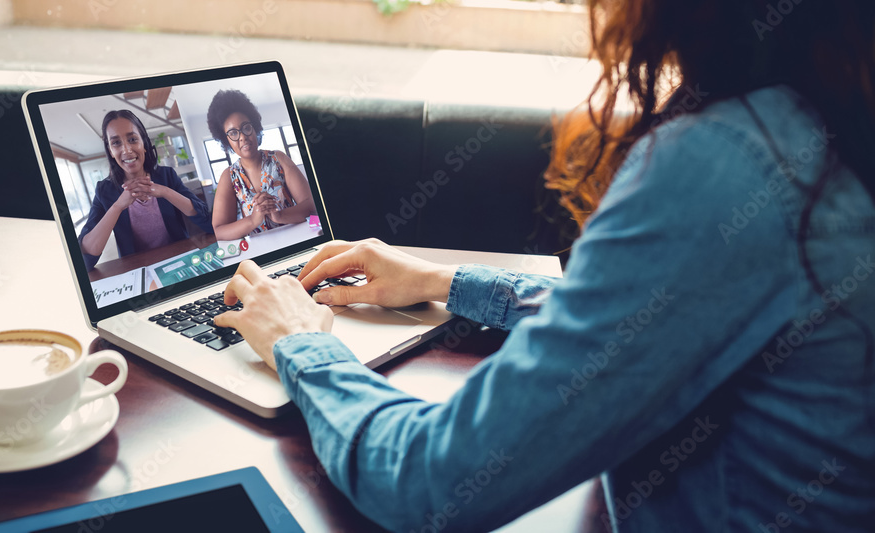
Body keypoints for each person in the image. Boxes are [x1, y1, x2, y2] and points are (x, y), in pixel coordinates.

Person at [215, 1, 875, 531]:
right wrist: (445, 282)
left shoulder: (729, 163)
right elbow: (661, 314)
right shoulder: (831, 120)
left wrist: (300, 344)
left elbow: (429, 483)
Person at [78, 110, 213, 270]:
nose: (127, 150)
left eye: (133, 139)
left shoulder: (167, 176)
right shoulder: (104, 190)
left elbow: (209, 223)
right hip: (138, 271)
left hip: (179, 262)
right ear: (111, 151)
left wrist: (165, 192)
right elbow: (84, 261)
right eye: (116, 143)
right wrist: (117, 206)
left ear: (144, 144)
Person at [207, 89, 316, 240]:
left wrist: (280, 215)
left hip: (298, 239)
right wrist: (253, 220)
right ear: (226, 141)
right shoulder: (229, 176)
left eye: (246, 127)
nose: (243, 137)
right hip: (262, 251)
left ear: (254, 127)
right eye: (233, 133)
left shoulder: (279, 158)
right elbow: (219, 231)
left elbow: (312, 206)